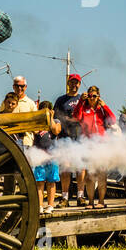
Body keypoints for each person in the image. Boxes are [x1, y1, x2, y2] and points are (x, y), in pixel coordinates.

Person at [73, 85, 117, 208]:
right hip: (88, 144)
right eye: (90, 95)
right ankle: (91, 201)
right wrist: (81, 101)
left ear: (98, 96)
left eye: (94, 96)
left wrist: (104, 105)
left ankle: (101, 201)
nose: (92, 98)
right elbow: (76, 116)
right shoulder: (84, 107)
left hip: (102, 145)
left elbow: (112, 120)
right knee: (89, 175)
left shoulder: (101, 109)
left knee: (102, 174)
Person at [53, 73, 86, 207]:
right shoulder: (61, 100)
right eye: (72, 82)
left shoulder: (83, 99)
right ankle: (65, 197)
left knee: (80, 168)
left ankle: (80, 196)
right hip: (65, 138)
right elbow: (55, 117)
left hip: (80, 138)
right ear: (68, 83)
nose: (74, 85)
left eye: (77, 82)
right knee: (65, 168)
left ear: (79, 84)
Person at [32, 101, 62, 213]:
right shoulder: (37, 122)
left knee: (51, 182)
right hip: (39, 156)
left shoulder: (56, 121)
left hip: (52, 156)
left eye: (47, 110)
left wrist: (51, 118)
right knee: (39, 182)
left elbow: (56, 130)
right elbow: (34, 131)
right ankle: (39, 205)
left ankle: (50, 205)